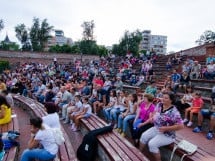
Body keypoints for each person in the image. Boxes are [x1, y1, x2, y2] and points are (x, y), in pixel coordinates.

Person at [139, 92, 184, 161]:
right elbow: (154, 112)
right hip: (156, 128)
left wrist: (166, 128)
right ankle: (138, 154)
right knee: (143, 136)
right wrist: (152, 118)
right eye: (163, 97)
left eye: (166, 98)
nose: (163, 99)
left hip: (168, 134)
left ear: (171, 100)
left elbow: (181, 126)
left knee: (152, 144)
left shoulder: (174, 112)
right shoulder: (159, 105)